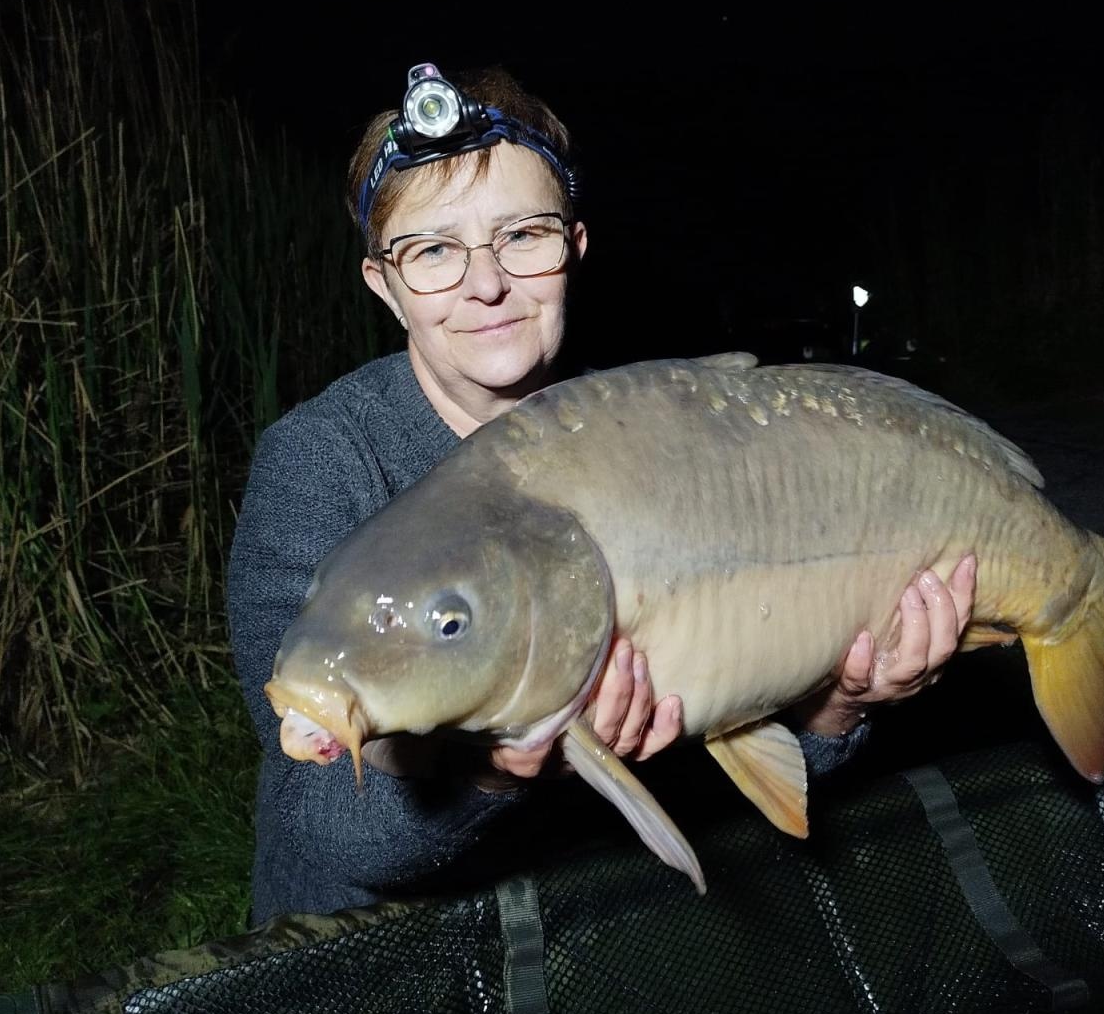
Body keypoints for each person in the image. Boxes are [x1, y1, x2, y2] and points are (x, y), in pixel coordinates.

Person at [226, 63, 977, 925]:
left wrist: (843, 701)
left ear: (573, 251)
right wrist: (494, 765)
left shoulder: (651, 437)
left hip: (592, 924)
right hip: (376, 951)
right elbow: (323, 823)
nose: (486, 283)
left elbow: (728, 727)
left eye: (523, 235)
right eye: (433, 251)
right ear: (383, 286)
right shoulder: (317, 463)